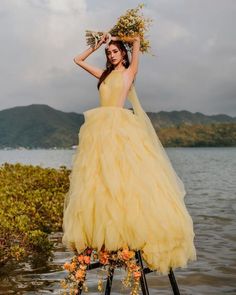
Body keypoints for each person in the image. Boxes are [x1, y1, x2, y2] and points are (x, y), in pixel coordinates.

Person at [62, 33, 197, 276]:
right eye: (109, 53)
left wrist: (120, 37)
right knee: (98, 182)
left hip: (119, 130)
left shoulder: (129, 72)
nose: (111, 55)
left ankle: (128, 243)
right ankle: (105, 243)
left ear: (122, 53)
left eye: (115, 51)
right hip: (98, 132)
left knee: (125, 181)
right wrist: (98, 44)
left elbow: (136, 41)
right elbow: (77, 60)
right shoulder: (102, 74)